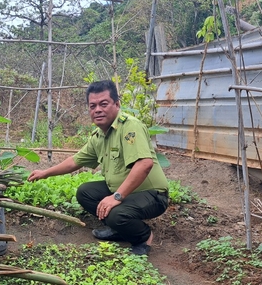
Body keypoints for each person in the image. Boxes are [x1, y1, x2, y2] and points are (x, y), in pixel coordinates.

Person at [27, 80, 169, 256]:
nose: (98, 110)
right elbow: (75, 161)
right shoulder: (99, 135)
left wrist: (116, 197)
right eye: (92, 106)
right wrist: (45, 173)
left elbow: (144, 164)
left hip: (152, 194)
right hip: (126, 191)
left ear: (117, 104)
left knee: (116, 214)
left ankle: (143, 237)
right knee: (85, 193)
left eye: (104, 104)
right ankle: (120, 230)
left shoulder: (130, 126)